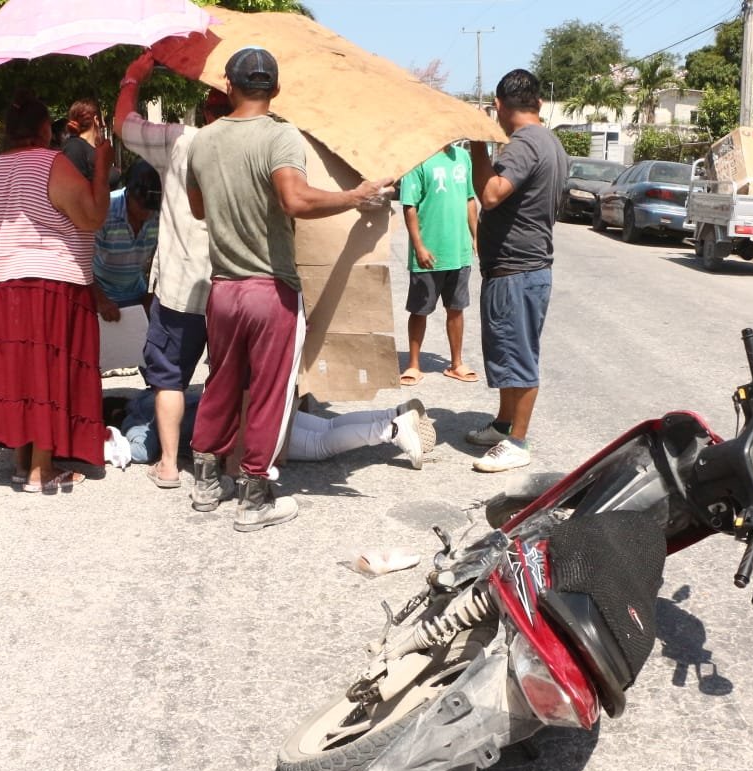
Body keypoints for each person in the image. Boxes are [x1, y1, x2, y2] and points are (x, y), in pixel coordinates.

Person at [185, 46, 394, 531]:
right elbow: (295, 199)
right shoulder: (280, 135)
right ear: (275, 90)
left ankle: (206, 483)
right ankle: (254, 497)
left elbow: (198, 209)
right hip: (270, 289)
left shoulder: (202, 140)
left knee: (219, 383)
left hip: (223, 289)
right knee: (269, 394)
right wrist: (355, 195)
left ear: (229, 87)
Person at [0, 89, 115, 493]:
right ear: (46, 129)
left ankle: (21, 459)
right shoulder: (52, 163)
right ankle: (42, 470)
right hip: (48, 282)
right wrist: (101, 166)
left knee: (18, 372)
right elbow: (92, 216)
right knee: (44, 371)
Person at [114, 51, 232, 490]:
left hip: (182, 287)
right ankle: (224, 460)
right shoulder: (268, 144)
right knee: (228, 376)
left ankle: (167, 464)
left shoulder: (180, 141)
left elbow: (124, 124)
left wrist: (133, 77)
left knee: (168, 377)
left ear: (207, 110)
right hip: (236, 287)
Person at [466, 69, 569, 473]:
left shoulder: (525, 144)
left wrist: (477, 145)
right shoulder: (550, 141)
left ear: (499, 107)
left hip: (517, 270)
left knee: (519, 355)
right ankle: (504, 424)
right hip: (523, 268)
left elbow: (491, 195)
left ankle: (517, 442)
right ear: (538, 104)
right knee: (508, 352)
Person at [118, 392, 433, 469]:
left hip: (245, 428)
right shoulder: (152, 395)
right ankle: (391, 414)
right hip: (252, 404)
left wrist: (114, 436)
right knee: (328, 425)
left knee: (321, 445)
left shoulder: (135, 420)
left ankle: (391, 430)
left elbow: (143, 451)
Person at [399, 143, 478, 386]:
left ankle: (456, 363)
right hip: (430, 252)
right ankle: (413, 364)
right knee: (420, 309)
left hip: (459, 250)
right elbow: (409, 206)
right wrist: (419, 246)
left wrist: (476, 236)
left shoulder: (463, 157)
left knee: (456, 308)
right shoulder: (418, 159)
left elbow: (469, 199)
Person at [92, 159, 160, 319]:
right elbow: (80, 263)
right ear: (128, 193)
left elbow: (169, 258)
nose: (147, 213)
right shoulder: (104, 211)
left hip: (136, 293)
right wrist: (100, 300)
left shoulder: (160, 214)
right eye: (141, 206)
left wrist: (152, 295)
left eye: (151, 208)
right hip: (99, 294)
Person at [61, 98, 104, 181]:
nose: (104, 124)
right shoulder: (74, 147)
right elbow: (74, 187)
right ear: (96, 120)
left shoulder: (91, 147)